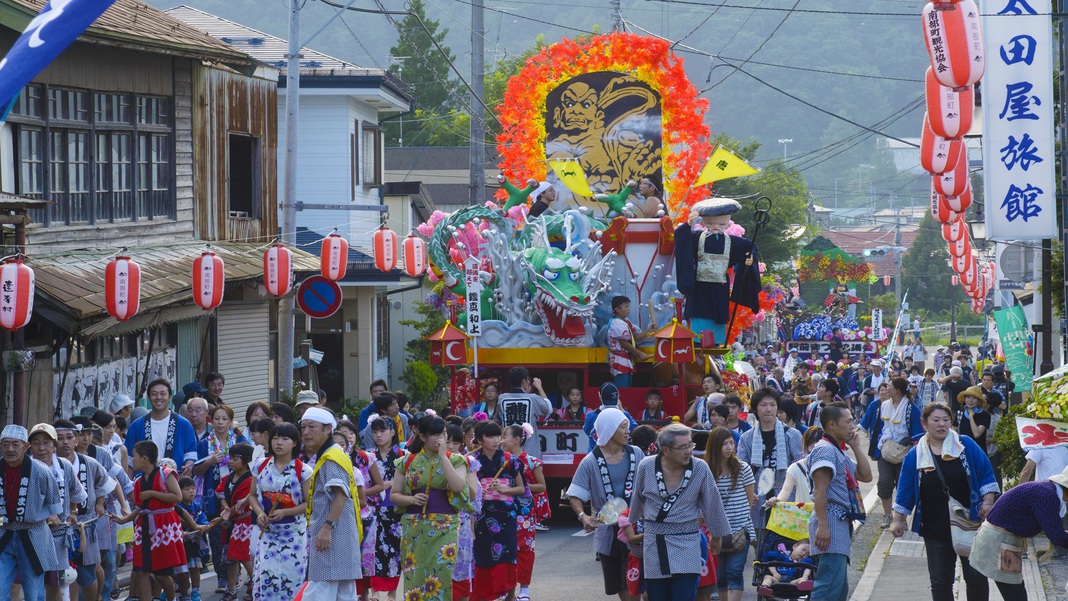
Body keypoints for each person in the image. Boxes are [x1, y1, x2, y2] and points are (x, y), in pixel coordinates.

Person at [889, 402, 999, 601]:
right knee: (940, 582)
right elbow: (905, 489)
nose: (941, 424)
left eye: (946, 420)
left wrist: (988, 501)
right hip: (935, 526)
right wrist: (897, 520)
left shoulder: (965, 445)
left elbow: (985, 472)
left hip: (970, 523)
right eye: (936, 420)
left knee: (976, 577)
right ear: (924, 423)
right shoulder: (915, 454)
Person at [630, 423, 731, 601]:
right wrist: (632, 523)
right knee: (657, 597)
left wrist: (716, 536)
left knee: (684, 595)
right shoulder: (646, 466)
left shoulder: (700, 467)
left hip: (687, 540)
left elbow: (712, 502)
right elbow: (638, 497)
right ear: (666, 450)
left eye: (690, 445)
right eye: (682, 447)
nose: (689, 451)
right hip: (655, 541)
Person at [569, 408, 646, 601]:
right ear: (609, 430)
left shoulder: (637, 453)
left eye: (628, 426)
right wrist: (583, 516)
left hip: (637, 527)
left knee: (640, 581)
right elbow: (575, 494)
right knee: (619, 582)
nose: (628, 431)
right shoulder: (590, 461)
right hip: (609, 530)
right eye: (623, 427)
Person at [392, 415, 469, 601]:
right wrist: (411, 499)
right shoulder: (407, 461)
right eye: (435, 434)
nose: (440, 438)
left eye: (443, 433)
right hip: (414, 524)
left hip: (445, 524)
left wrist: (443, 457)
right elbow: (394, 495)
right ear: (422, 436)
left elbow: (458, 486)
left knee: (441, 573)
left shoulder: (456, 460)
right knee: (415, 574)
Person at [967, 466, 1068, 600]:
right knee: (1015, 595)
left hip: (999, 538)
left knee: (1013, 591)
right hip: (999, 541)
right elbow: (1057, 536)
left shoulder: (1047, 490)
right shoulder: (1048, 496)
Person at [674, 198, 761, 345]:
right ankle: (697, 338)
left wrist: (749, 258)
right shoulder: (697, 238)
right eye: (710, 223)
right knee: (698, 312)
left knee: (718, 313)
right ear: (703, 223)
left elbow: (748, 247)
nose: (715, 227)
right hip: (699, 285)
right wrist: (688, 224)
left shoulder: (732, 241)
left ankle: (716, 341)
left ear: (727, 223)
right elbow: (681, 237)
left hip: (720, 285)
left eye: (721, 224)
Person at [808, 404, 873, 601]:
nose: (852, 426)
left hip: (838, 521)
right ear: (832, 425)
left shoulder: (837, 451)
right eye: (848, 421)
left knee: (837, 588)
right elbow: (820, 489)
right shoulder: (825, 450)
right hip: (830, 520)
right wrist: (823, 525)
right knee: (828, 587)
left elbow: (866, 475)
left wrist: (856, 446)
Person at [111, 440, 189, 601]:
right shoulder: (139, 481)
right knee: (141, 570)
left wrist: (153, 493)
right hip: (144, 526)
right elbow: (140, 507)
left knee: (161, 573)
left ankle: (172, 598)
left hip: (163, 526)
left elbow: (177, 496)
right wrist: (124, 519)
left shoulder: (165, 474)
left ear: (145, 458)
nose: (132, 460)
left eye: (134, 456)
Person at [301, 407, 363, 600]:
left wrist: (327, 528)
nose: (306, 432)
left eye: (312, 427)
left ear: (328, 429)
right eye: (303, 427)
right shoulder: (335, 453)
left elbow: (341, 495)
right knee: (344, 594)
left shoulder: (331, 458)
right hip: (342, 536)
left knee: (319, 593)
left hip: (331, 537)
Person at [53, 419, 115, 601]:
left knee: (87, 575)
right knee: (63, 575)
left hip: (84, 524)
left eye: (69, 437)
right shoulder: (46, 465)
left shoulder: (90, 463)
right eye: (60, 438)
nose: (65, 442)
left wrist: (100, 503)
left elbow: (105, 484)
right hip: (56, 526)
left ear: (76, 440)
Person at [248, 423, 310, 601]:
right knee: (266, 576)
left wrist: (286, 512)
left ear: (295, 442)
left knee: (293, 579)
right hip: (268, 532)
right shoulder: (260, 465)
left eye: (285, 438)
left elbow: (309, 503)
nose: (279, 442)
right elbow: (252, 496)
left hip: (294, 533)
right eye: (275, 438)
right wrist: (260, 513)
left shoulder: (303, 470)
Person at [27, 423, 84, 601]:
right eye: (36, 443)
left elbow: (77, 492)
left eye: (46, 443)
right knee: (26, 583)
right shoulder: (25, 468)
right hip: (30, 534)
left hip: (58, 536)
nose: (41, 448)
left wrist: (72, 511)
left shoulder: (64, 466)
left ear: (54, 445)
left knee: (55, 583)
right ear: (29, 446)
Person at [859, 377, 924, 529]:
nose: (886, 388)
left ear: (897, 390)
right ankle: (887, 514)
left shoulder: (911, 409)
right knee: (885, 482)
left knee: (903, 485)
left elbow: (917, 434)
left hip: (905, 452)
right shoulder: (882, 406)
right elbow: (874, 426)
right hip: (885, 450)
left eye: (889, 386)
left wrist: (916, 452)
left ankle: (901, 518)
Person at [704, 427, 756, 601]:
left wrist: (741, 519)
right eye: (724, 443)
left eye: (731, 443)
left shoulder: (742, 468)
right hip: (716, 530)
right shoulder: (707, 470)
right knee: (720, 575)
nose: (729, 447)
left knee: (734, 571)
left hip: (741, 528)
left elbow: (749, 499)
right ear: (715, 445)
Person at [737, 388, 803, 511]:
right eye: (763, 405)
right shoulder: (746, 438)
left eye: (773, 405)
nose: (769, 409)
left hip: (786, 498)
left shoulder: (792, 435)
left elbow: (801, 465)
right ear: (755, 408)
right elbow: (741, 468)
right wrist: (748, 492)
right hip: (757, 499)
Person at [124, 378, 198, 475]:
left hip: (175, 479)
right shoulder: (136, 426)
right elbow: (129, 460)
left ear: (170, 397)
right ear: (149, 398)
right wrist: (129, 483)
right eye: (154, 394)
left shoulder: (183, 424)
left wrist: (188, 466)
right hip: (144, 481)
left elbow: (191, 453)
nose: (158, 397)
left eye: (163, 394)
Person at [369, 415, 407, 601]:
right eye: (375, 431)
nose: (378, 435)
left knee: (395, 551)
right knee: (373, 549)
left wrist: (393, 483)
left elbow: (412, 481)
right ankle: (374, 592)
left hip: (396, 509)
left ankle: (392, 593)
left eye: (382, 431)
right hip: (374, 509)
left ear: (393, 432)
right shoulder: (369, 456)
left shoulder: (403, 455)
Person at [216, 442, 255, 601]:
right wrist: (225, 509)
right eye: (230, 458)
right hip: (231, 523)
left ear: (246, 460)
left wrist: (225, 515)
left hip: (244, 523)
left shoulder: (251, 480)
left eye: (235, 458)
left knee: (243, 555)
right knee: (230, 559)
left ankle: (257, 583)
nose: (230, 461)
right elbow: (222, 496)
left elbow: (241, 504)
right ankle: (231, 589)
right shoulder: (227, 478)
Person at [496, 366, 553, 458]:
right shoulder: (532, 398)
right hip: (529, 453)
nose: (529, 381)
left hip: (508, 453)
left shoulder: (502, 398)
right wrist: (539, 387)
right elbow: (548, 409)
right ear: (524, 381)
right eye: (528, 379)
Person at [766, 427, 825, 506]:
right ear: (806, 447)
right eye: (813, 447)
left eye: (820, 448)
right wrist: (776, 500)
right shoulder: (796, 468)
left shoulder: (832, 468)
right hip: (803, 513)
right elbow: (785, 491)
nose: (816, 452)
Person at [177, 476, 213, 601]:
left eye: (193, 488)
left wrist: (205, 526)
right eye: (187, 489)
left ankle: (196, 592)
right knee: (181, 570)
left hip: (194, 543)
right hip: (180, 543)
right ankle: (181, 591)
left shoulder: (197, 506)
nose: (191, 491)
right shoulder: (177, 506)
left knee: (195, 568)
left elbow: (203, 520)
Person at [608, 296, 652, 387]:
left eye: (628, 306)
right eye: (626, 307)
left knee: (627, 387)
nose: (628, 309)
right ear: (617, 309)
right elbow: (623, 343)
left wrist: (648, 331)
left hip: (626, 358)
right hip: (619, 359)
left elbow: (634, 337)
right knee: (622, 388)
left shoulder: (626, 322)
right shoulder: (617, 323)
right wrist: (640, 354)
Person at [583, 382, 639, 452]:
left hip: (595, 455)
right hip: (620, 456)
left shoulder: (591, 415)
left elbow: (587, 430)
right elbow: (635, 431)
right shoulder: (624, 415)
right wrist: (622, 409)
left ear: (600, 396)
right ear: (618, 396)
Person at [956, 386, 991, 451]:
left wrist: (971, 416)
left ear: (979, 401)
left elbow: (976, 434)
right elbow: (954, 432)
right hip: (963, 450)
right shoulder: (959, 413)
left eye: (974, 398)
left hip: (978, 451)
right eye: (968, 397)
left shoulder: (985, 415)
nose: (970, 400)